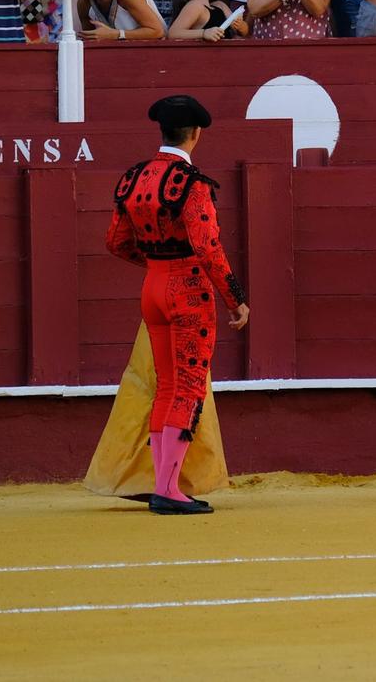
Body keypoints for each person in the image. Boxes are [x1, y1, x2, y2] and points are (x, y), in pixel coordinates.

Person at [104, 95, 249, 516]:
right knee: (185, 387)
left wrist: (154, 264)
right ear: (196, 134)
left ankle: (164, 484)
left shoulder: (133, 178)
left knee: (167, 387)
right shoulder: (193, 184)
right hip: (188, 291)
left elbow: (115, 242)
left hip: (153, 286)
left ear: (162, 132)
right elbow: (207, 247)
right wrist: (235, 298)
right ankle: (167, 489)